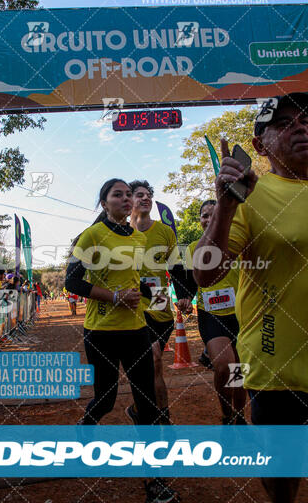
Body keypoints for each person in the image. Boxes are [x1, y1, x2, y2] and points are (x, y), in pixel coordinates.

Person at [193, 93, 308, 503]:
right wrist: (224, 208)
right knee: (285, 473)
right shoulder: (250, 196)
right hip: (279, 363)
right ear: (259, 146)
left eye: (305, 119)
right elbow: (205, 273)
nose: (301, 126)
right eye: (285, 123)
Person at [65, 178, 180, 503]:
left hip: (136, 330)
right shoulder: (91, 236)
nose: (127, 199)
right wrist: (113, 296)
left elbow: (138, 282)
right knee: (107, 399)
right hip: (101, 331)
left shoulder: (141, 239)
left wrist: (165, 296)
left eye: (129, 195)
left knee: (146, 404)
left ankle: (155, 480)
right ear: (105, 203)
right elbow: (72, 281)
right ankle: (85, 426)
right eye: (119, 194)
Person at [182, 200, 246, 425]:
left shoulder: (238, 241)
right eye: (204, 216)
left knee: (240, 370)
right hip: (211, 314)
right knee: (224, 366)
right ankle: (226, 410)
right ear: (199, 220)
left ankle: (238, 415)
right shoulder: (192, 248)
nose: (208, 220)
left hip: (241, 314)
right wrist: (186, 298)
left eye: (213, 215)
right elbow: (190, 281)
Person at [127, 180, 179, 425]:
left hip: (160, 305)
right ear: (130, 201)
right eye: (140, 195)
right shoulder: (119, 232)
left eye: (148, 195)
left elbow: (176, 266)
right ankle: (163, 419)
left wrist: (186, 294)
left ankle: (141, 410)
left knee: (151, 367)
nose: (145, 198)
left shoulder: (165, 231)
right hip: (133, 306)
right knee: (155, 357)